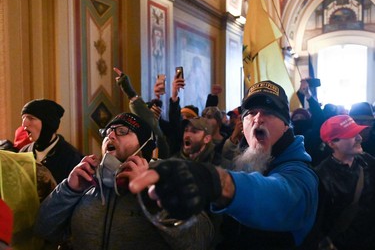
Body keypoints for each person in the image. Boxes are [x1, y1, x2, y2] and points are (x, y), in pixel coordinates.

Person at [130, 80, 319, 249]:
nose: (258, 118)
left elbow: (277, 195)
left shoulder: (301, 175)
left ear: (286, 124)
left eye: (269, 112)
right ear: (243, 126)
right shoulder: (246, 162)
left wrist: (217, 181)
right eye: (251, 113)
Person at [34, 112, 214, 250]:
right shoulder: (86, 182)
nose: (110, 136)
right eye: (108, 132)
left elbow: (200, 239)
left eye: (122, 131)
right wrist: (69, 189)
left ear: (144, 147)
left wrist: (153, 194)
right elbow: (44, 229)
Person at [315, 115, 375, 250]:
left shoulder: (367, 161)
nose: (359, 137)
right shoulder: (322, 176)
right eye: (351, 134)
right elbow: (319, 223)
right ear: (332, 143)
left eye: (358, 132)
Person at [19, 99, 83, 183]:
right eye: (23, 118)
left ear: (47, 124)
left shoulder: (72, 158)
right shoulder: (23, 153)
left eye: (31, 118)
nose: (24, 124)